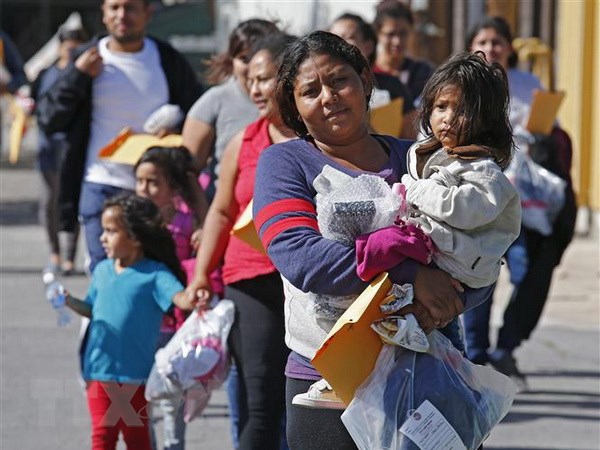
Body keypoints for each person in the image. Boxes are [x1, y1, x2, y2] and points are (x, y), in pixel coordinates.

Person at [252, 31, 464, 450]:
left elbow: (478, 254)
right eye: (310, 90)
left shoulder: (421, 160)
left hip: (432, 373)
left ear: (366, 81)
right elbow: (303, 259)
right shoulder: (284, 163)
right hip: (329, 382)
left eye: (339, 80)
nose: (329, 96)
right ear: (293, 107)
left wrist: (457, 294)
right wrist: (410, 275)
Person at [186, 33, 297, 450]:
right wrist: (200, 274)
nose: (253, 89)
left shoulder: (323, 141)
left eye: (264, 78)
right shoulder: (243, 141)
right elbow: (219, 211)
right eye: (250, 78)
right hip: (250, 279)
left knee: (311, 404)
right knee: (262, 403)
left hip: (313, 281)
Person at [36, 0, 203, 273]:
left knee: (151, 277)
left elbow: (199, 113)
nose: (121, 15)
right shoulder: (86, 58)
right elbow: (48, 118)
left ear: (148, 13)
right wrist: (77, 76)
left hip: (154, 193)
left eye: (130, 8)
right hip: (100, 183)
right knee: (104, 276)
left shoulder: (166, 59)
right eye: (114, 7)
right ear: (103, 13)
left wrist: (177, 125)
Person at [462, 16, 577, 388]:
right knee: (480, 281)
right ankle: (476, 358)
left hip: (524, 205)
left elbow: (548, 134)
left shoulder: (529, 85)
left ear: (510, 47)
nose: (491, 49)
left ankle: (505, 347)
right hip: (477, 202)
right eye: (483, 40)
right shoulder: (461, 84)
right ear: (470, 47)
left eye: (498, 41)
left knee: (528, 275)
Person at [63, 193, 198, 450]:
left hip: (136, 377)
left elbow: (179, 298)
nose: (102, 237)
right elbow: (91, 310)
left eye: (111, 231)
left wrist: (194, 295)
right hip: (99, 372)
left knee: (137, 441)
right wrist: (70, 301)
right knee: (103, 438)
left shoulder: (155, 273)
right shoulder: (102, 270)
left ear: (135, 238)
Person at [134, 146, 207, 450]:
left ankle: (174, 444)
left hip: (175, 323)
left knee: (171, 392)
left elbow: (204, 230)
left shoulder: (187, 222)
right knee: (141, 394)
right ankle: (146, 444)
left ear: (172, 187)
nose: (144, 188)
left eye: (153, 182)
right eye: (139, 181)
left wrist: (201, 233)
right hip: (141, 321)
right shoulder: (131, 220)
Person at [182, 18, 280, 202]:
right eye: (244, 58)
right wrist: (203, 220)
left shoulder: (297, 102)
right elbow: (188, 172)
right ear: (231, 60)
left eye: (258, 56)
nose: (252, 66)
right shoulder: (214, 101)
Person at [31, 27, 88, 276]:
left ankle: (69, 255)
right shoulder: (45, 74)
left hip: (72, 149)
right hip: (47, 149)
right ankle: (54, 252)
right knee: (49, 202)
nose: (71, 50)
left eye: (76, 46)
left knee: (70, 199)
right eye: (67, 45)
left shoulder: (85, 75)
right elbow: (34, 104)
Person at [328, 12, 417, 138]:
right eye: (333, 38)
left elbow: (410, 137)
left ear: (368, 46)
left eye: (349, 37)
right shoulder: (322, 91)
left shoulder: (392, 86)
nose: (337, 45)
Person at [372, 1, 434, 109]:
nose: (397, 41)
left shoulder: (423, 73)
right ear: (378, 33)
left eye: (403, 33)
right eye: (390, 34)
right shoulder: (369, 74)